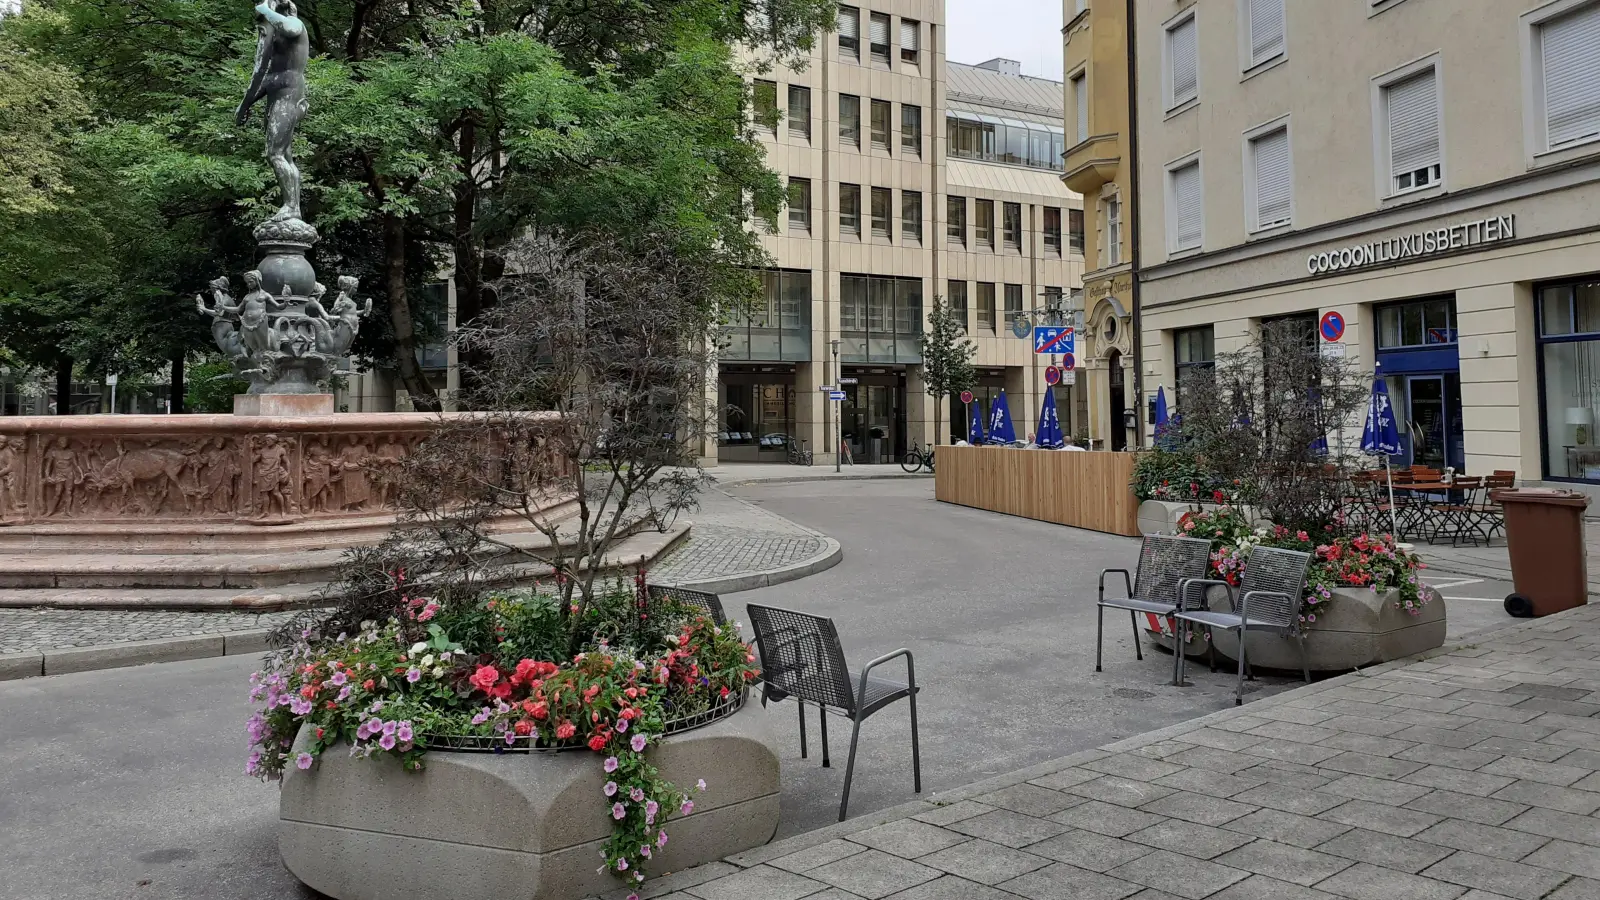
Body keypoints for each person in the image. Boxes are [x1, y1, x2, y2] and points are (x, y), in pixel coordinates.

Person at [237, 0, 310, 223]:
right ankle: (293, 208)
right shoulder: (279, 57)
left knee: (274, 153)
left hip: (290, 99)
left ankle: (290, 206)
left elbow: (290, 27)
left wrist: (266, 10)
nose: (262, 36)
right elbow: (267, 80)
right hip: (279, 98)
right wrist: (245, 105)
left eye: (262, 29)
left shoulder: (292, 24)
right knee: (284, 155)